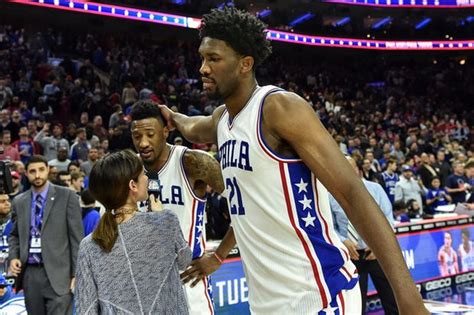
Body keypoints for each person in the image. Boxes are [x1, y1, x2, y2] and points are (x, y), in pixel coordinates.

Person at [159, 7, 427, 314]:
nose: (203, 68)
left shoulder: (278, 108)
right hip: (268, 303)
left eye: (214, 59)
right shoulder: (222, 120)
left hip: (317, 294)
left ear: (246, 63)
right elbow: (195, 126)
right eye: (202, 58)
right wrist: (172, 116)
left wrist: (408, 299)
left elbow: (354, 195)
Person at [130, 100, 225, 315]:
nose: (143, 143)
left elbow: (245, 203)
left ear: (165, 131)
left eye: (150, 134)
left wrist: (219, 256)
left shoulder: (191, 162)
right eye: (137, 137)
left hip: (187, 274)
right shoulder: (128, 169)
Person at [75, 150, 192, 314]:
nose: (146, 178)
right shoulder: (165, 221)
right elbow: (185, 261)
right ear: (133, 185)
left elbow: (86, 309)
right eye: (143, 174)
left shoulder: (88, 246)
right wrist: (159, 215)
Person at [8, 155, 83, 314]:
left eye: (41, 170)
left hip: (59, 274)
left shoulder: (67, 196)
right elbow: (14, 235)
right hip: (30, 274)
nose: (37, 175)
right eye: (32, 171)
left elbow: (76, 239)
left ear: (48, 170)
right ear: (26, 174)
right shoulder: (19, 201)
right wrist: (13, 256)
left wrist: (76, 274)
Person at [331, 156, 398, 315]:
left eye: (351, 166)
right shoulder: (330, 194)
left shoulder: (375, 189)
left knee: (391, 300)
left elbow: (388, 219)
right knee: (355, 305)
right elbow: (329, 226)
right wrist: (343, 241)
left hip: (377, 253)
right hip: (351, 255)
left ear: (358, 169)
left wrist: (379, 245)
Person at [0, 194, 12, 274]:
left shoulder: (16, 221)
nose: (7, 204)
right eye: (2, 201)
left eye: (8, 201)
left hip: (11, 268)